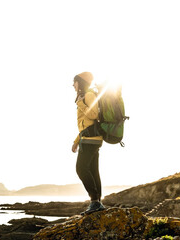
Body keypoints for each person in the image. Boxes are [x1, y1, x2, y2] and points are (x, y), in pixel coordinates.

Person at [72, 71, 105, 215]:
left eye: (75, 82)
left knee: (81, 169)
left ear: (80, 82)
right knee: (93, 170)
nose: (73, 85)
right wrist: (76, 141)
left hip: (90, 140)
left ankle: (94, 201)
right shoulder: (85, 96)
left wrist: (80, 103)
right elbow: (85, 124)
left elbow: (93, 115)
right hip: (90, 139)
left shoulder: (89, 95)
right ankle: (98, 203)